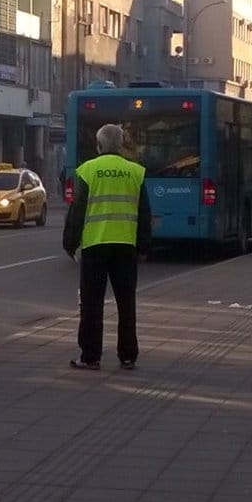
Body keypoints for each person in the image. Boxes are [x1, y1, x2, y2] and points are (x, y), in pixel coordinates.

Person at [62, 124, 152, 371]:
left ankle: (90, 357)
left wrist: (70, 243)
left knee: (92, 304)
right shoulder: (135, 172)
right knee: (126, 303)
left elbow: (77, 210)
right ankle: (128, 356)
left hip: (95, 245)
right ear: (121, 144)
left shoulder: (88, 170)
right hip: (126, 245)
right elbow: (144, 212)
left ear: (98, 145)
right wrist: (143, 246)